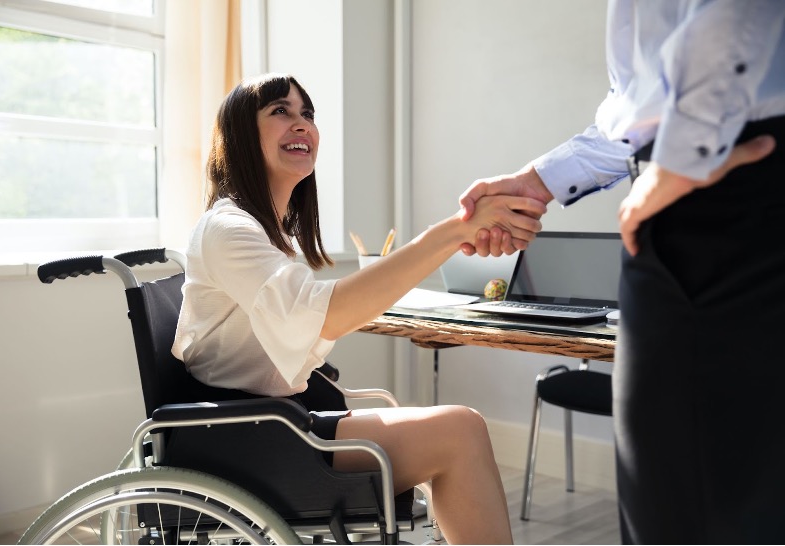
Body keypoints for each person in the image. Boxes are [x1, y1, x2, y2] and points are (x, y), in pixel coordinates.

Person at [172, 73, 548, 544]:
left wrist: (458, 234)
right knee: (461, 430)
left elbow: (312, 316)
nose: (301, 124)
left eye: (306, 113)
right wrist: (454, 232)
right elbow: (323, 314)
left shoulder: (262, 232)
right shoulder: (229, 229)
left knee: (458, 428)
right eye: (280, 112)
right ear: (242, 137)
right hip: (248, 437)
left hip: (274, 421)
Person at [459, 1, 785, 544]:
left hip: (720, 193)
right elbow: (638, 109)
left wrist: (679, 162)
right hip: (708, 184)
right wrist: (538, 181)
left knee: (694, 507)